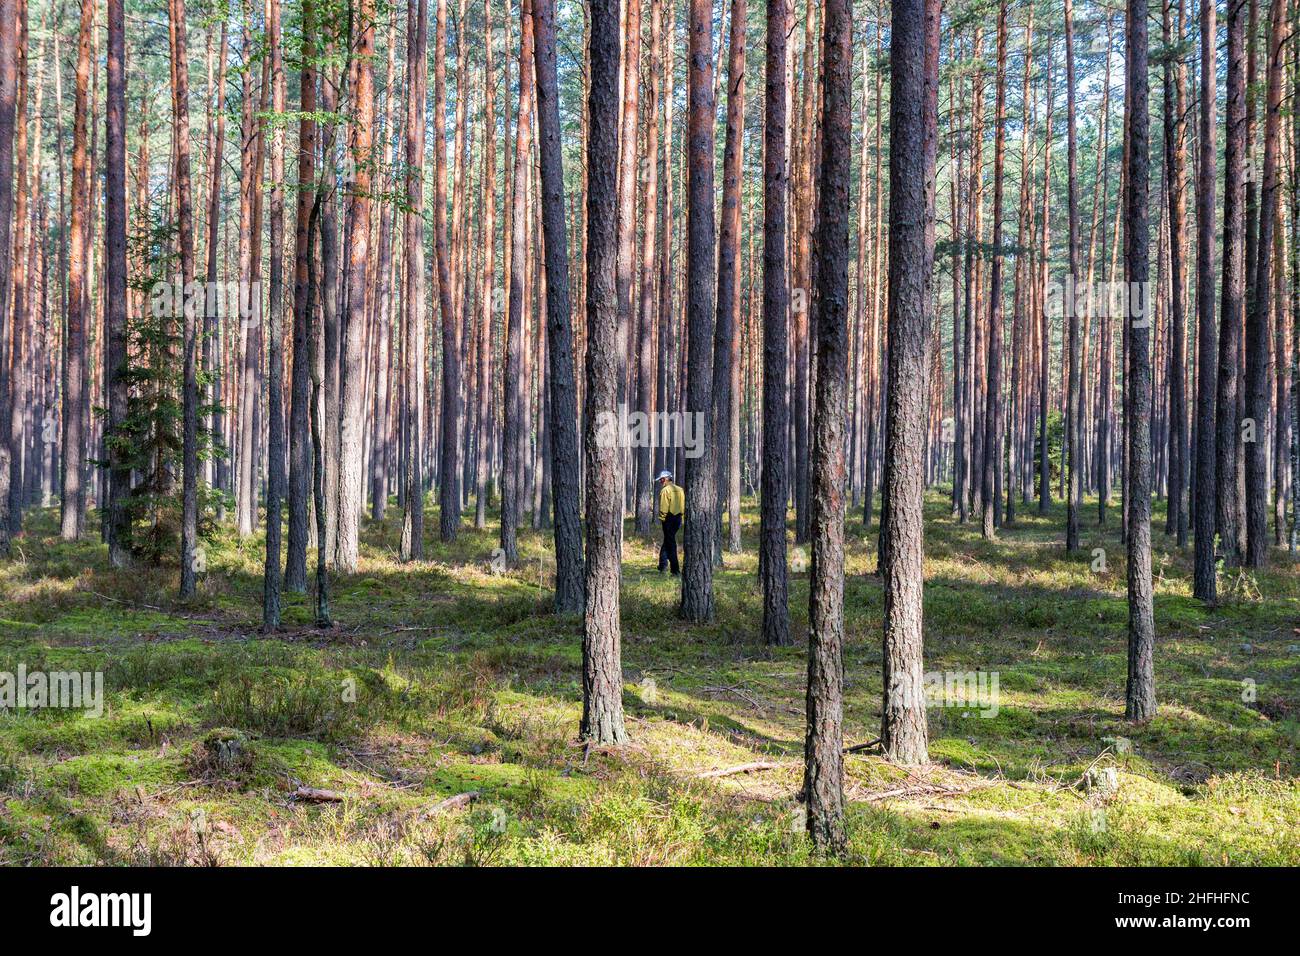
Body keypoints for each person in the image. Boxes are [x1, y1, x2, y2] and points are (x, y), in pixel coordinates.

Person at [656, 470, 684, 575]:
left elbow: (663, 508)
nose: (660, 482)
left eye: (661, 480)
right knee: (668, 541)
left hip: (668, 519)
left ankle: (675, 569)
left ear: (666, 479)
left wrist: (662, 519)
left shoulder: (665, 491)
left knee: (670, 543)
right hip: (678, 519)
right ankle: (662, 564)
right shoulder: (680, 489)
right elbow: (682, 506)